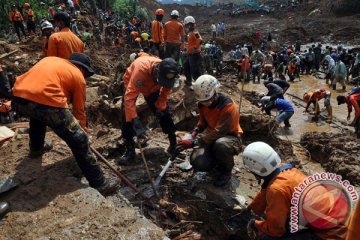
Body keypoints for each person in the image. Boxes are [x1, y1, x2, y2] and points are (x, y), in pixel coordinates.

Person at [11, 53, 119, 195]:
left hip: (18, 98)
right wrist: (83, 133)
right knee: (79, 139)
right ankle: (100, 183)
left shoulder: (50, 60)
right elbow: (79, 110)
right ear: (83, 69)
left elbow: (36, 90)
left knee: (37, 116)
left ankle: (36, 149)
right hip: (46, 101)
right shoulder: (78, 76)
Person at [242, 142, 347, 240]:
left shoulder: (276, 190)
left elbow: (276, 231)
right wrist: (250, 211)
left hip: (331, 234)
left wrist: (255, 223)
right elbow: (264, 194)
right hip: (340, 218)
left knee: (266, 237)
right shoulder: (287, 170)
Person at [176, 75, 242, 186]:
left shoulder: (227, 106)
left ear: (215, 92)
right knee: (198, 162)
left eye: (208, 101)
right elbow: (202, 122)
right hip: (212, 136)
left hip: (230, 137)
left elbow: (220, 131)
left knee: (221, 145)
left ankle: (226, 171)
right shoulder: (202, 105)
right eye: (203, 101)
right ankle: (216, 162)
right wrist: (194, 132)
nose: (206, 104)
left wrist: (195, 142)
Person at [118, 57, 179, 165]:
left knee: (165, 113)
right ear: (156, 72)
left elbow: (164, 93)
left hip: (152, 87)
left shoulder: (168, 75)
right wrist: (134, 119)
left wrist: (160, 109)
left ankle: (173, 144)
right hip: (132, 84)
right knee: (126, 116)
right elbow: (130, 98)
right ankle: (130, 151)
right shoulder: (140, 70)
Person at [183, 16, 203, 87]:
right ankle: (189, 80)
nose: (186, 27)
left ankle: (199, 85)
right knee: (186, 66)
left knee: (195, 71)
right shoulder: (191, 32)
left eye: (187, 25)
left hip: (194, 54)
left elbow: (200, 40)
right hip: (190, 54)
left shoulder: (194, 31)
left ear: (190, 24)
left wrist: (194, 48)